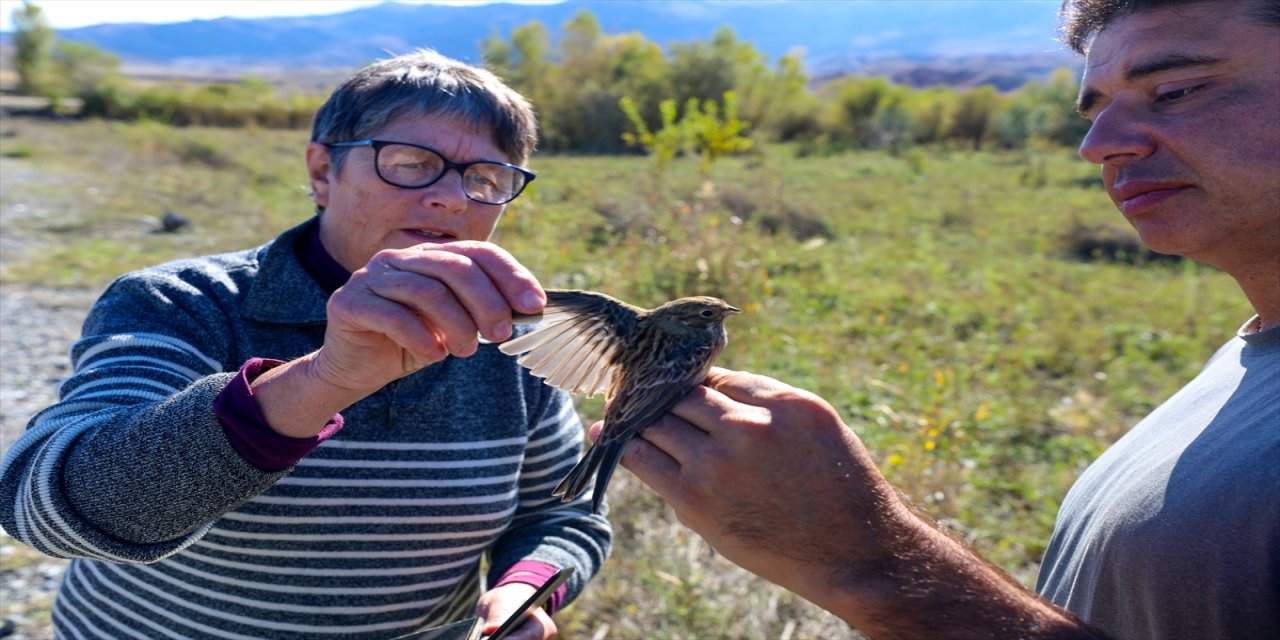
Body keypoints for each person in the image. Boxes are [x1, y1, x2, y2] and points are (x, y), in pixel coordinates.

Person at [611, 0, 1280, 638]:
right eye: (1097, 108)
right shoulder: (1247, 359)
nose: (1097, 145)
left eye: (1178, 92)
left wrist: (875, 563)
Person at [0, 50, 611, 640]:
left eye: (486, 178)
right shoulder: (186, 304)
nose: (453, 198)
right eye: (409, 162)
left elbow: (560, 513)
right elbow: (43, 508)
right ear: (323, 172)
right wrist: (324, 379)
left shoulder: (512, 337)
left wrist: (525, 588)